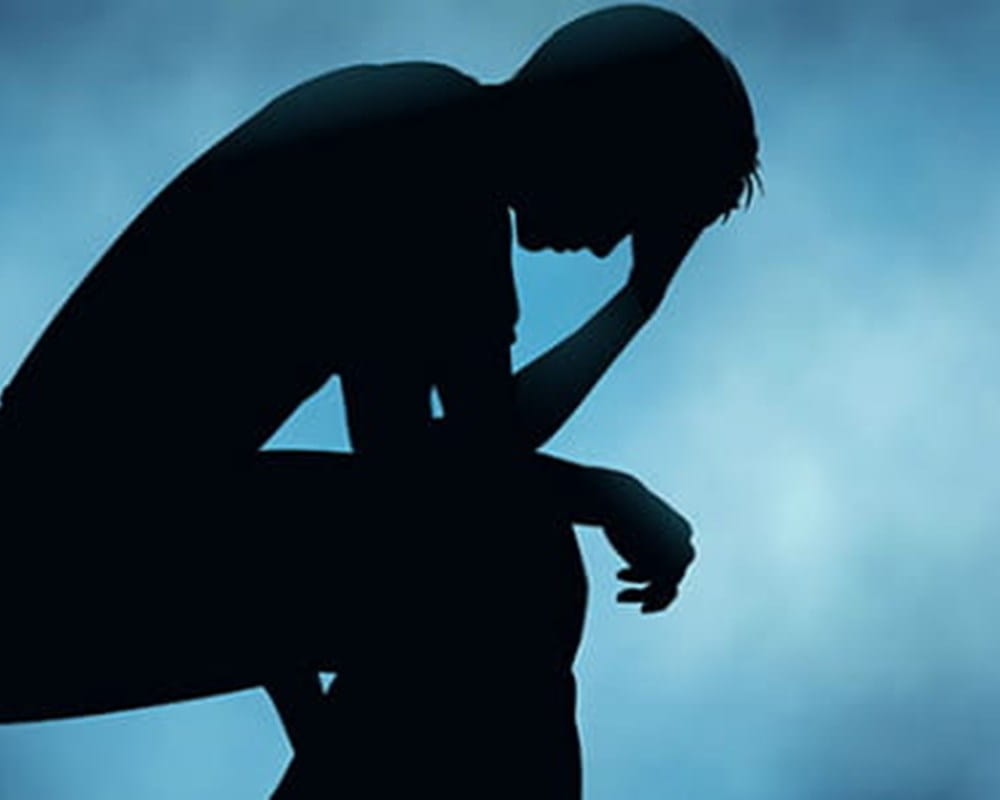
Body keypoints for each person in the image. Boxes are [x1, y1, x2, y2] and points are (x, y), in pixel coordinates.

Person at [0, 5, 758, 797]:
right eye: (631, 211)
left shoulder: (433, 135)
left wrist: (640, 300)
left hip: (111, 528)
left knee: (502, 555)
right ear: (604, 138)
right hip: (51, 553)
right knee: (515, 566)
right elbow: (443, 480)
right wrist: (607, 493)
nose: (606, 245)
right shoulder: (422, 158)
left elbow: (461, 458)